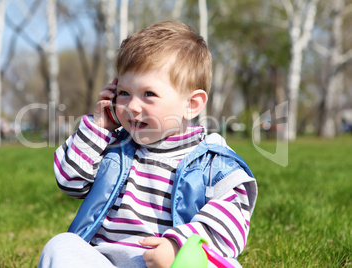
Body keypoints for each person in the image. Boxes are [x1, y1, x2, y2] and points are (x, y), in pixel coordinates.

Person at [39, 21, 257, 268]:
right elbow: (70, 181)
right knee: (60, 246)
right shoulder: (113, 148)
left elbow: (229, 226)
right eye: (123, 93)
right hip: (105, 261)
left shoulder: (214, 164)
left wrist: (178, 247)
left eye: (148, 94)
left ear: (192, 104)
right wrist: (98, 128)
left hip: (168, 263)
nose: (132, 106)